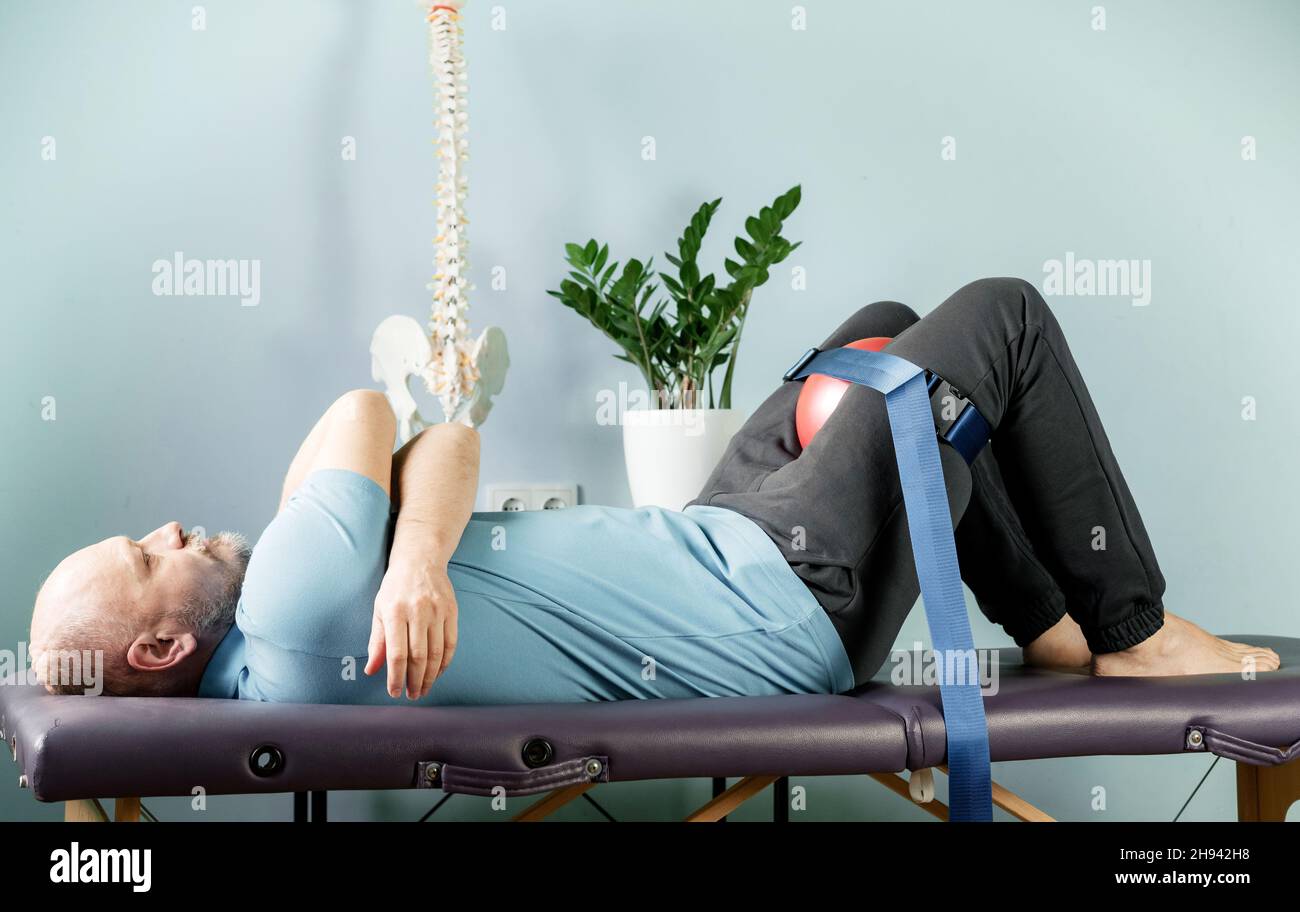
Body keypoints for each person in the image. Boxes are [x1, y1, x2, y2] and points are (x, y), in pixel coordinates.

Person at [27, 278, 1280, 704]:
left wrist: (413, 550)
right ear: (159, 641)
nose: (171, 524)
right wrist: (410, 545)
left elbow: (445, 433)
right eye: (148, 552)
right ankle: (1128, 628)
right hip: (781, 601)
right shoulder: (291, 611)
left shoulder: (286, 612)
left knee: (889, 334)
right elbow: (375, 412)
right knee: (994, 319)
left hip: (721, 536)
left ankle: (1050, 626)